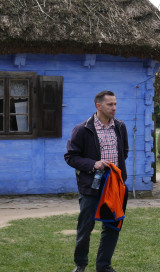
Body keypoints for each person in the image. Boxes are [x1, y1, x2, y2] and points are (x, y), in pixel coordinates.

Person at [65, 90, 128, 272]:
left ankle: (104, 266)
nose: (114, 108)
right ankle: (80, 264)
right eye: (110, 104)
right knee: (85, 228)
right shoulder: (82, 129)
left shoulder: (120, 126)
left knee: (112, 226)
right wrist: (94, 164)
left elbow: (124, 152)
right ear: (98, 106)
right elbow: (71, 157)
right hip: (91, 187)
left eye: (115, 104)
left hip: (115, 186)